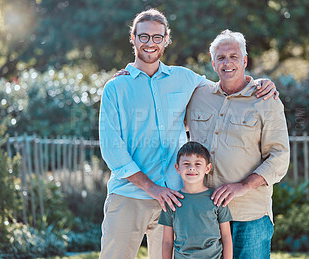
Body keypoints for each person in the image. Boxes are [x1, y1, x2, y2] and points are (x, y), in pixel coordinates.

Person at [99, 9, 277, 259]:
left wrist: (259, 82)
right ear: (133, 38)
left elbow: (226, 87)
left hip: (174, 198)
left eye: (157, 37)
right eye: (144, 36)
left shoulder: (185, 79)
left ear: (166, 39)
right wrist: (152, 189)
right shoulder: (116, 88)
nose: (150, 43)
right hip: (129, 195)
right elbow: (112, 149)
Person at [186, 29, 290, 259]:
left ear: (245, 60)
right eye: (221, 58)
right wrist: (130, 73)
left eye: (233, 56)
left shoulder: (266, 100)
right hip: (206, 215)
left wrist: (242, 186)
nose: (227, 63)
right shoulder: (197, 97)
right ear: (213, 64)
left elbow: (279, 156)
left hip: (249, 216)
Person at [158, 141, 233, 259]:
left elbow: (226, 237)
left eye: (198, 164)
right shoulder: (172, 202)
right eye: (186, 164)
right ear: (177, 168)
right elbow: (167, 241)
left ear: (207, 168)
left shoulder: (217, 198)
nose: (192, 168)